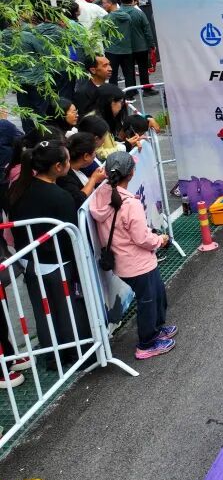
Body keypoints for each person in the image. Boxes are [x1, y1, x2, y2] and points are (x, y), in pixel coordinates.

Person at [6, 140, 92, 370]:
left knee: (43, 312)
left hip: (29, 261)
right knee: (68, 311)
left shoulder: (18, 189)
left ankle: (53, 358)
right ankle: (79, 355)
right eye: (67, 160)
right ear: (58, 166)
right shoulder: (60, 197)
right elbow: (71, 235)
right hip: (59, 263)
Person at [88, 151, 175, 360]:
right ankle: (147, 343)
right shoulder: (130, 203)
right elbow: (142, 238)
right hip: (138, 263)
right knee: (148, 300)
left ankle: (156, 329)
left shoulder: (101, 195)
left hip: (123, 262)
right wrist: (160, 240)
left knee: (156, 294)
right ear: (132, 173)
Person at [119, 0, 156, 94]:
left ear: (120, 0)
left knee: (129, 70)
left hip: (125, 47)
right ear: (132, 0)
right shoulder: (139, 13)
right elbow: (147, 30)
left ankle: (131, 91)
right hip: (141, 46)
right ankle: (146, 89)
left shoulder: (116, 14)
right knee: (143, 68)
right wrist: (151, 44)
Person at [56, 132, 106, 207]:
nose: (95, 155)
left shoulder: (80, 167)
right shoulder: (65, 176)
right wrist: (93, 179)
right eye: (94, 152)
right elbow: (78, 200)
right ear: (86, 156)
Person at [102, 0, 136, 88]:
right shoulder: (127, 16)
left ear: (110, 3)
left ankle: (114, 93)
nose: (103, 5)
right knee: (129, 73)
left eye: (104, 3)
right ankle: (131, 92)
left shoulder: (107, 18)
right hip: (127, 49)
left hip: (112, 50)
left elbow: (103, 32)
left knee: (112, 74)